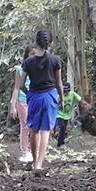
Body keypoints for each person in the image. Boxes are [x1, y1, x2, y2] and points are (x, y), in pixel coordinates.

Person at [13, 29, 63, 175]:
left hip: (34, 97)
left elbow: (20, 84)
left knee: (33, 130)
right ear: (50, 43)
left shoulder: (28, 62)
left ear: (36, 42)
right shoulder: (55, 60)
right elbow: (59, 83)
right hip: (49, 96)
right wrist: (62, 99)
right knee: (45, 131)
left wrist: (26, 95)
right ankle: (39, 164)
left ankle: (34, 162)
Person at [9, 47, 33, 163]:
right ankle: (25, 151)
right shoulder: (20, 69)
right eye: (31, 54)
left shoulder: (38, 68)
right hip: (22, 100)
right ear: (26, 55)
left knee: (35, 126)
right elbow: (17, 88)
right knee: (25, 126)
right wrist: (13, 106)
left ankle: (34, 150)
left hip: (34, 100)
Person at [55, 82, 82, 148]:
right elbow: (55, 104)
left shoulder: (72, 94)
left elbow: (80, 99)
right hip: (59, 114)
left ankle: (60, 142)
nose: (65, 93)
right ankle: (57, 137)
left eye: (66, 91)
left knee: (64, 129)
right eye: (64, 91)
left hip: (67, 115)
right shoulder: (59, 96)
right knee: (62, 126)